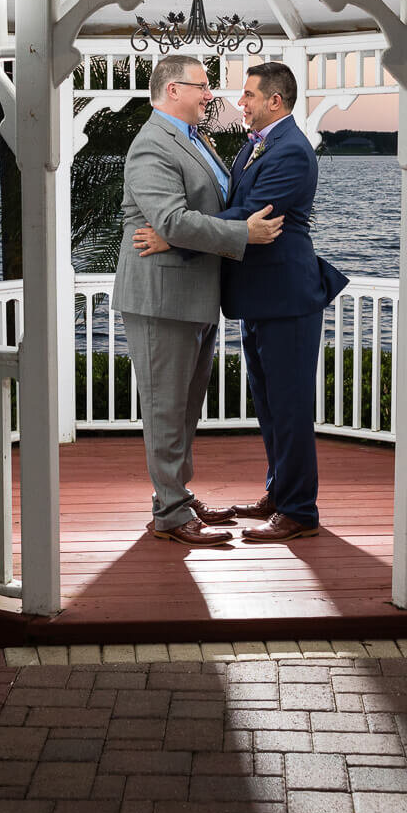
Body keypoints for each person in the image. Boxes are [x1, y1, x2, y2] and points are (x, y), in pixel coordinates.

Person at [135, 61, 346, 542]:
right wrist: (185, 228)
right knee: (269, 405)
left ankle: (299, 510)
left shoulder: (291, 149)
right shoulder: (256, 146)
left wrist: (173, 237)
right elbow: (230, 210)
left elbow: (251, 214)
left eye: (248, 95)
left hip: (287, 296)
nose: (239, 102)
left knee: (290, 406)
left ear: (275, 100)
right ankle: (279, 491)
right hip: (258, 298)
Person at [114, 53, 285, 546]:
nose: (210, 95)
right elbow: (170, 219)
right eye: (202, 86)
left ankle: (178, 496)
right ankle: (169, 512)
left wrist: (177, 234)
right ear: (172, 90)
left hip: (194, 294)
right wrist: (240, 234)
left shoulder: (194, 139)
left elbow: (187, 217)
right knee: (166, 409)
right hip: (161, 299)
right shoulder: (152, 145)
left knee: (185, 409)